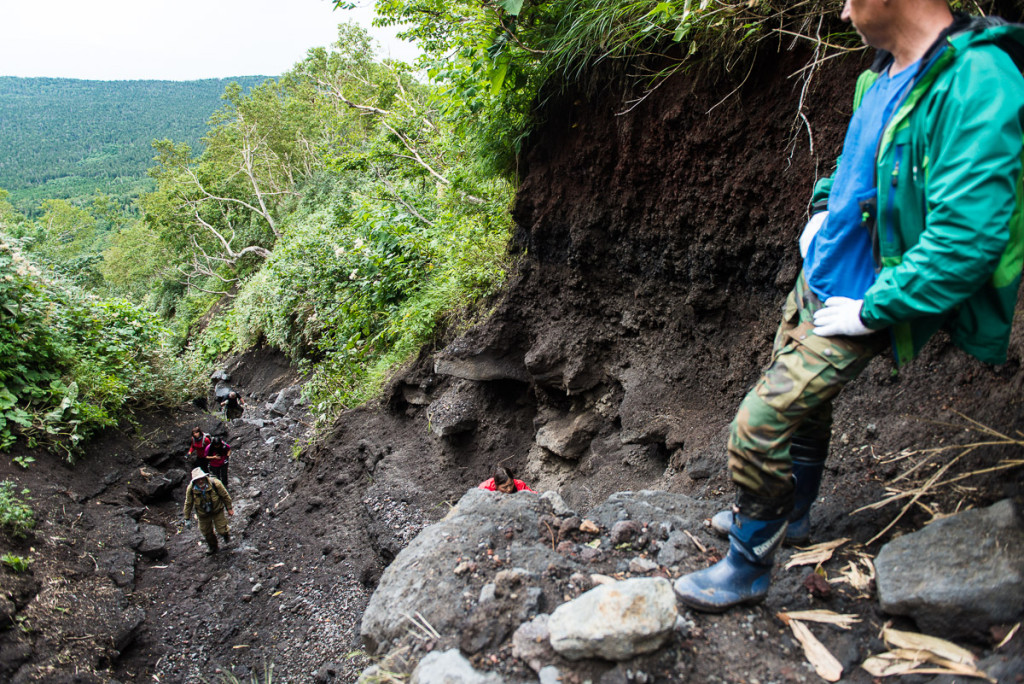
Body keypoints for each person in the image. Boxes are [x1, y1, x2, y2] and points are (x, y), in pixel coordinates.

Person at [674, 0, 1024, 613]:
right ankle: (797, 516)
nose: (840, 10)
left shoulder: (979, 79)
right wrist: (816, 216)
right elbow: (849, 169)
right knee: (804, 412)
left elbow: (967, 239)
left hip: (865, 296)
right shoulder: (879, 72)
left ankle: (749, 564)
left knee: (757, 427)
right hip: (820, 277)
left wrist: (873, 310)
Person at [182, 468, 234, 555]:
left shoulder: (215, 483)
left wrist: (229, 508)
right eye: (198, 479)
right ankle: (213, 547)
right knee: (206, 532)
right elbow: (188, 503)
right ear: (194, 481)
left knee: (222, 530)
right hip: (202, 514)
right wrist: (187, 518)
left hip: (217, 510)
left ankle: (225, 535)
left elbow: (225, 495)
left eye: (202, 478)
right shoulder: (191, 489)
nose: (201, 481)